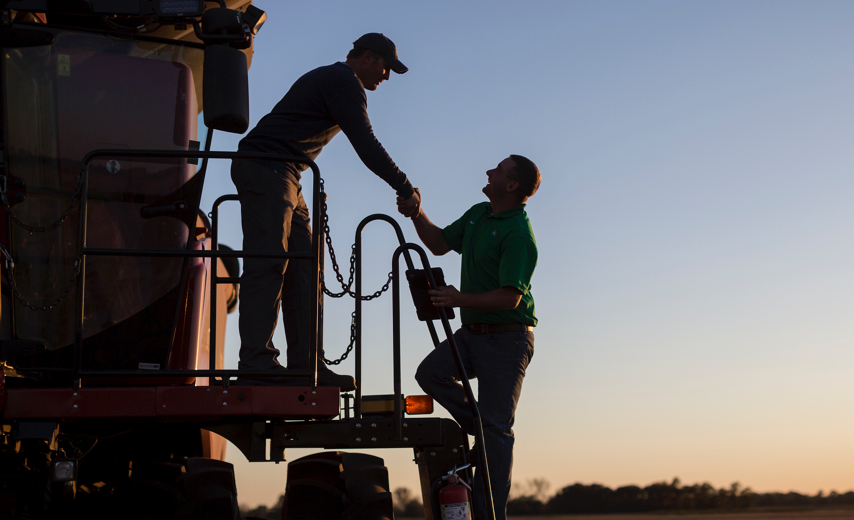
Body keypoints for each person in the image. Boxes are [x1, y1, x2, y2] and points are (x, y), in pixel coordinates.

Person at [232, 33, 421, 389]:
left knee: (305, 270)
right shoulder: (343, 81)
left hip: (287, 172)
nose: (386, 76)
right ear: (366, 57)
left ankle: (307, 365)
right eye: (385, 67)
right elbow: (366, 143)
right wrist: (404, 186)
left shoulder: (337, 80)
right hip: (268, 165)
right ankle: (256, 362)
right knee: (270, 261)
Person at [403, 155, 540, 520]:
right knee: (430, 374)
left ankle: (489, 514)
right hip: (473, 334)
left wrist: (458, 298)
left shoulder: (518, 235)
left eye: (497, 170)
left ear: (511, 186)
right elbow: (438, 243)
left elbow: (510, 297)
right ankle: (478, 427)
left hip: (507, 340)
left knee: (497, 429)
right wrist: (417, 212)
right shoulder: (480, 213)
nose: (488, 172)